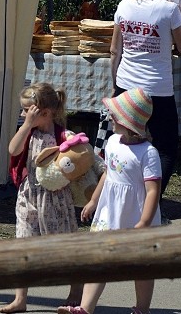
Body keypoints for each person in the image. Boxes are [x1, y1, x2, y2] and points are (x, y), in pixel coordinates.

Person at [58, 88, 161, 314]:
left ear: (128, 121)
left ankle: (142, 308)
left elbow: (153, 190)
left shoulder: (148, 153)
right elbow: (108, 173)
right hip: (110, 211)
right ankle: (85, 308)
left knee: (141, 266)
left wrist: (144, 222)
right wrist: (94, 200)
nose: (110, 117)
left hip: (136, 215)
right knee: (98, 259)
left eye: (115, 115)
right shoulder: (113, 141)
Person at [110, 0, 181, 198]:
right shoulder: (169, 10)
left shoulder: (124, 5)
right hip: (157, 89)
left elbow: (115, 49)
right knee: (166, 148)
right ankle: (151, 203)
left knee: (125, 143)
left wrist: (113, 86)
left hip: (126, 85)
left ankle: (126, 197)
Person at [0, 83, 82, 314]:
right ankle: (20, 298)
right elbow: (13, 150)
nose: (22, 115)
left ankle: (76, 291)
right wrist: (26, 125)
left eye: (27, 111)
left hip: (56, 201)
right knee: (23, 245)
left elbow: (81, 160)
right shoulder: (28, 132)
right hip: (29, 196)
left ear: (45, 113)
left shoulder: (63, 136)